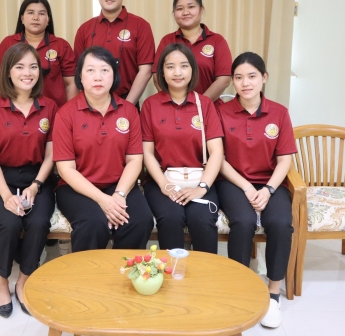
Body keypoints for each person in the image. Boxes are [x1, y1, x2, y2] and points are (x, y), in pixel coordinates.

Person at [215, 52, 296, 329]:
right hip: (234, 182)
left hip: (271, 182)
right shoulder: (221, 112)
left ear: (264, 78)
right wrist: (247, 187)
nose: (245, 83)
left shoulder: (279, 113)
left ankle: (273, 293)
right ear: (232, 82)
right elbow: (219, 159)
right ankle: (241, 286)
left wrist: (269, 189)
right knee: (243, 221)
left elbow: (284, 160)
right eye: (238, 77)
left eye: (251, 76)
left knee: (281, 223)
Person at [0, 43, 57, 318]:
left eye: (33, 67)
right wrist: (6, 196)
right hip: (2, 178)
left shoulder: (49, 106)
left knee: (38, 222)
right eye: (20, 66)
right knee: (9, 222)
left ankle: (23, 280)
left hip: (38, 178)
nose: (27, 73)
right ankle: (2, 282)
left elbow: (51, 155)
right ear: (8, 72)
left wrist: (36, 186)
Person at [53, 46, 154, 252]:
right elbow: (66, 169)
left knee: (140, 220)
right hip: (76, 188)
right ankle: (91, 272)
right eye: (90, 70)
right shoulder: (66, 114)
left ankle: (122, 270)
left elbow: (135, 160)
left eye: (104, 70)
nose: (97, 77)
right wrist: (103, 201)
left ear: (114, 75)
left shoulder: (129, 111)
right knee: (92, 223)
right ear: (80, 77)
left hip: (119, 184)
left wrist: (119, 195)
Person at [141, 43, 224, 253]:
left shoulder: (205, 104)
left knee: (202, 219)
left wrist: (202, 188)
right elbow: (147, 152)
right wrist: (164, 185)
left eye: (184, 66)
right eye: (170, 67)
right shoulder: (150, 105)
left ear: (192, 70)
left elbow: (216, 151)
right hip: (161, 181)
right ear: (161, 72)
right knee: (170, 217)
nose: (177, 72)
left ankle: (204, 273)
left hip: (200, 179)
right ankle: (171, 271)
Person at [74, 0, 155, 106]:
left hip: (128, 101)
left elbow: (146, 70)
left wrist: (127, 106)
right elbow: (79, 70)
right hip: (91, 104)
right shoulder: (84, 29)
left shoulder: (141, 26)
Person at [0, 0, 77, 107]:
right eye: (31, 13)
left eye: (41, 13)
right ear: (22, 18)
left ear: (48, 19)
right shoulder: (8, 43)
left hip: (54, 111)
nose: (36, 18)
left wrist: (70, 113)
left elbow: (70, 84)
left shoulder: (61, 45)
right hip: (15, 111)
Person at [152, 0, 232, 101]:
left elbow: (224, 79)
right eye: (180, 9)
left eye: (191, 7)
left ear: (201, 10)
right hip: (173, 108)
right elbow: (157, 76)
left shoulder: (217, 40)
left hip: (208, 107)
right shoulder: (167, 40)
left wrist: (200, 105)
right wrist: (174, 104)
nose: (185, 12)